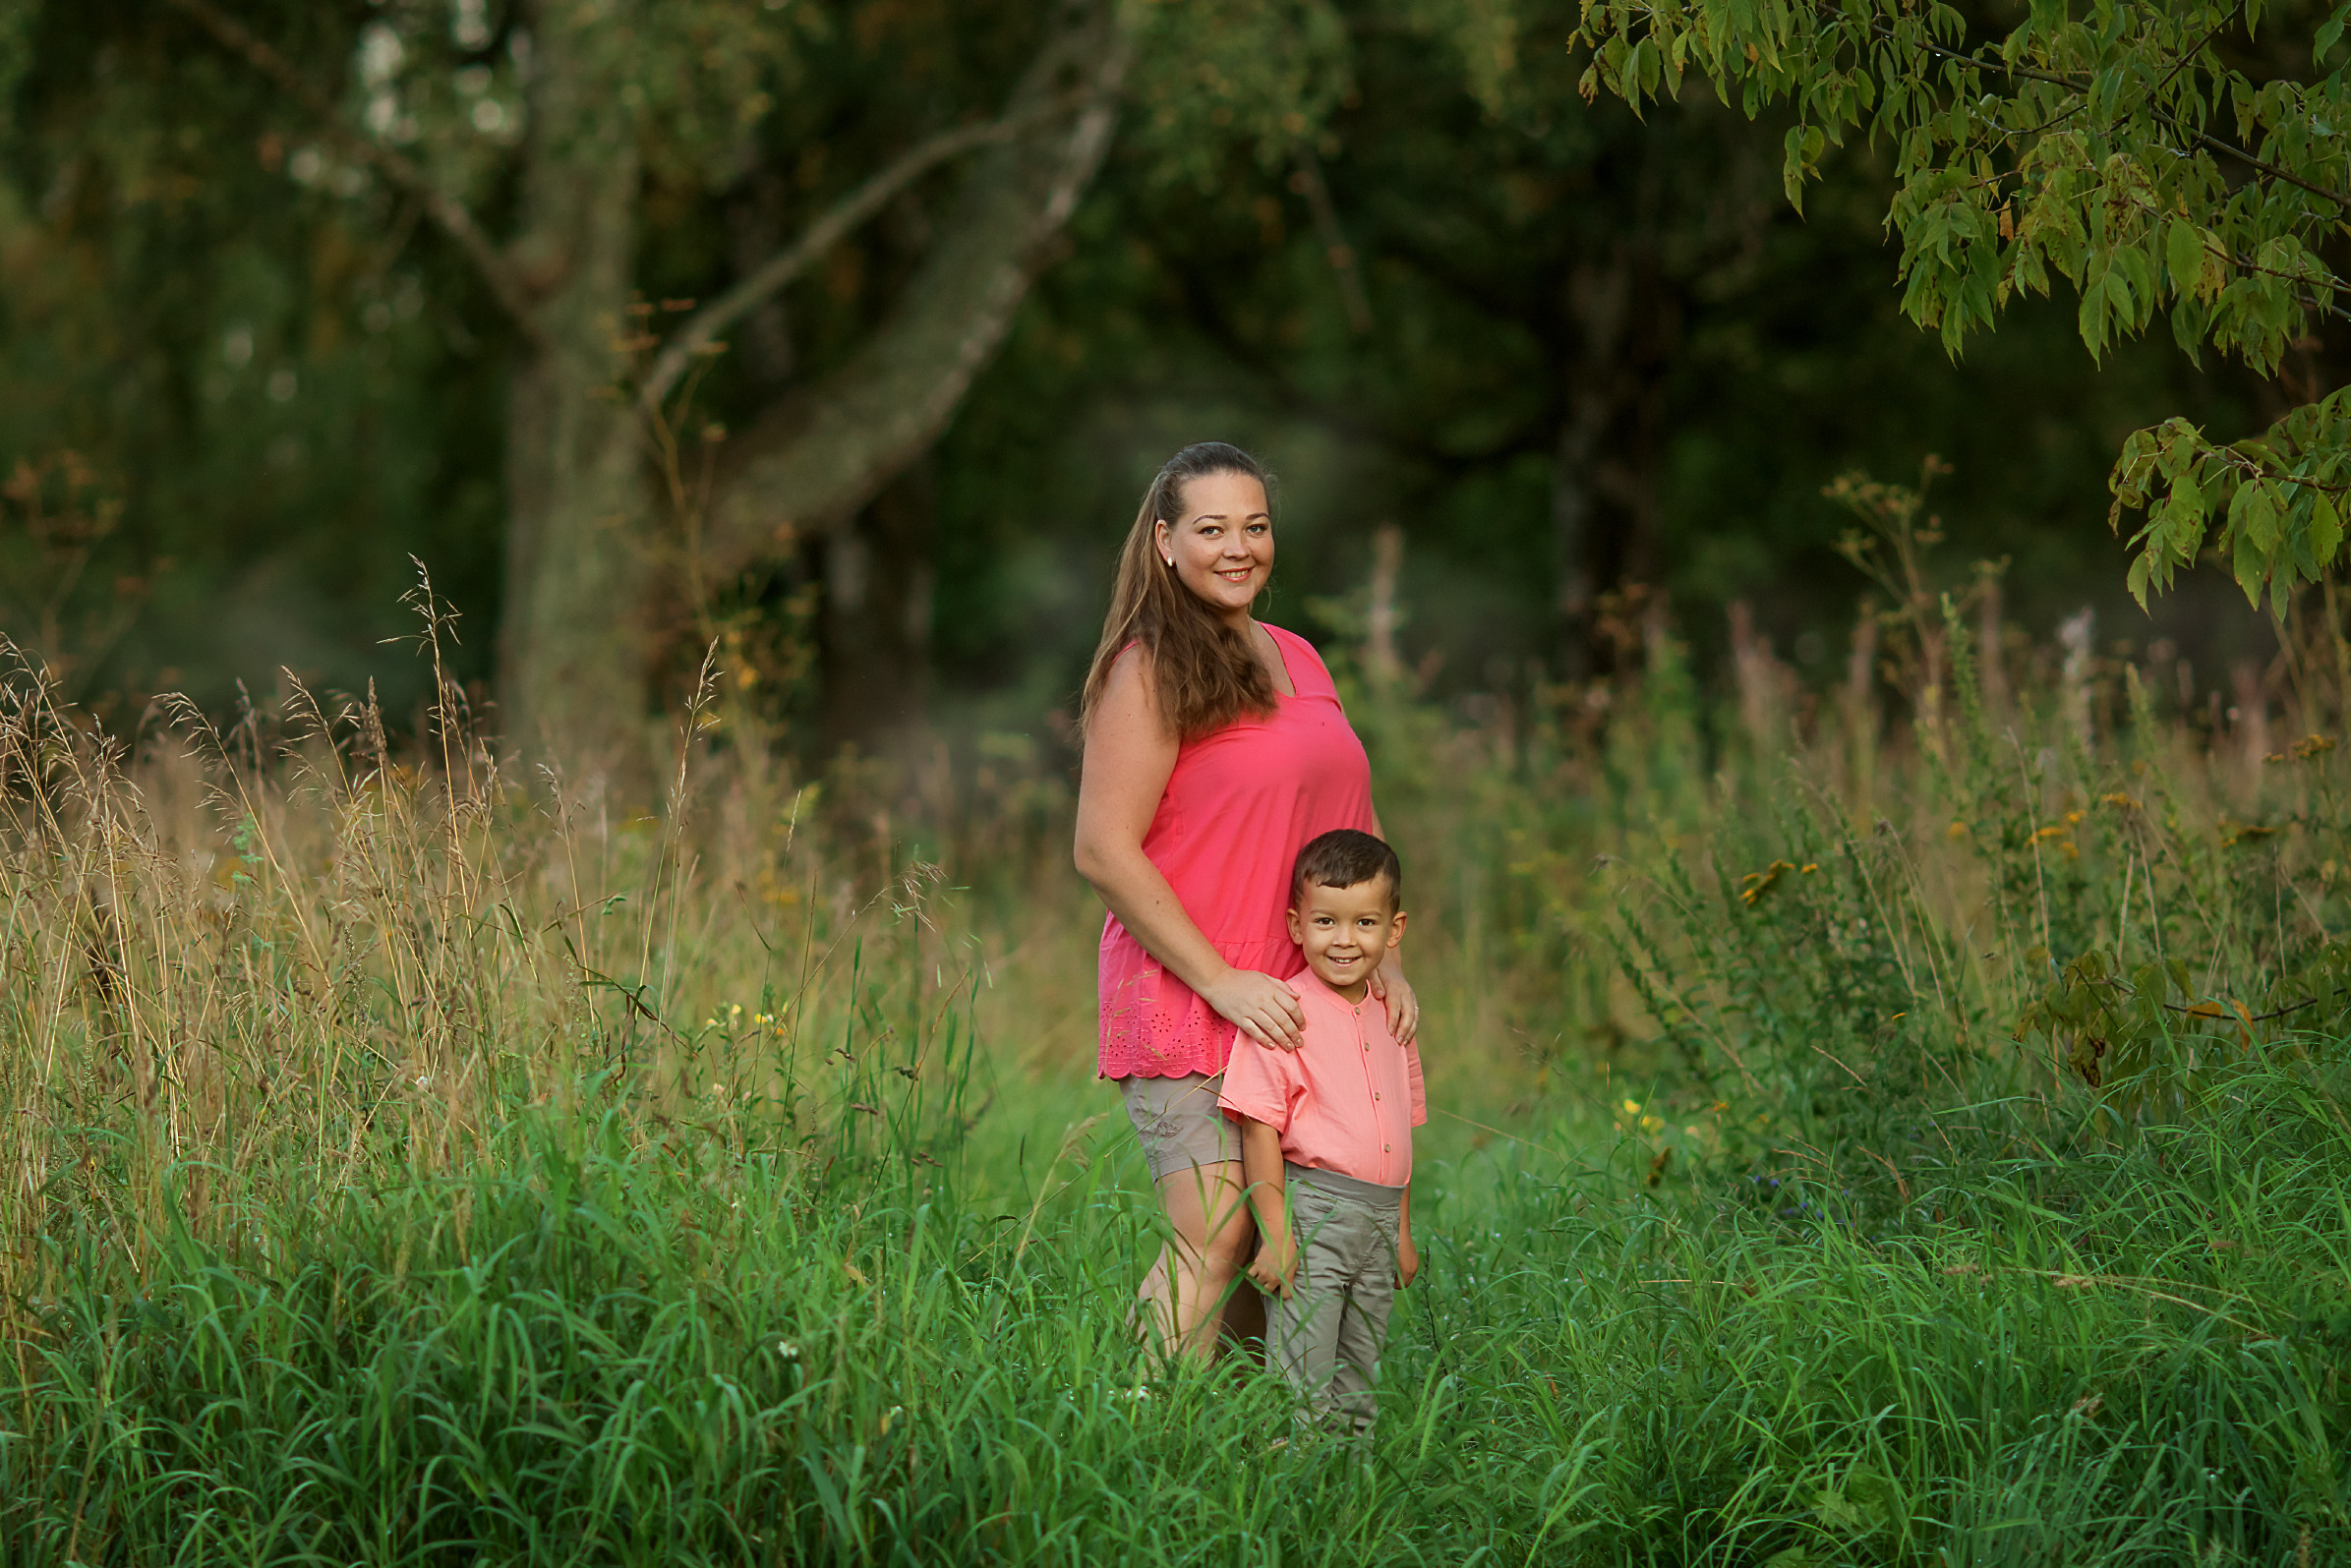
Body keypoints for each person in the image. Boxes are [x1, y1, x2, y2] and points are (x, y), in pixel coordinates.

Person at [1074, 441, 1420, 1362]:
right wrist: (1220, 980)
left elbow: (1354, 823)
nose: (1238, 547)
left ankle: (1236, 1435)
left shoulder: (1299, 655)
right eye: (1211, 528)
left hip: (1300, 1000)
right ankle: (1130, 1425)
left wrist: (1386, 965)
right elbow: (1102, 848)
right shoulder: (1146, 668)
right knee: (1218, 1228)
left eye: (1254, 526)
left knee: (1282, 1238)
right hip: (1193, 985)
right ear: (1164, 541)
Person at [1218, 830, 1423, 1439]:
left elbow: (1399, 1134)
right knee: (1302, 1376)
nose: (1344, 939)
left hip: (1380, 1220)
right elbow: (1260, 1132)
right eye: (1326, 921)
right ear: (1296, 925)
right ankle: (1293, 1483)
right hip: (1315, 1216)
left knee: (1360, 1379)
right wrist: (1276, 1235)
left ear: (1394, 931)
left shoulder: (1394, 1017)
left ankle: (1350, 1490)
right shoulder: (1285, 1012)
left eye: (1365, 923)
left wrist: (1401, 1231)